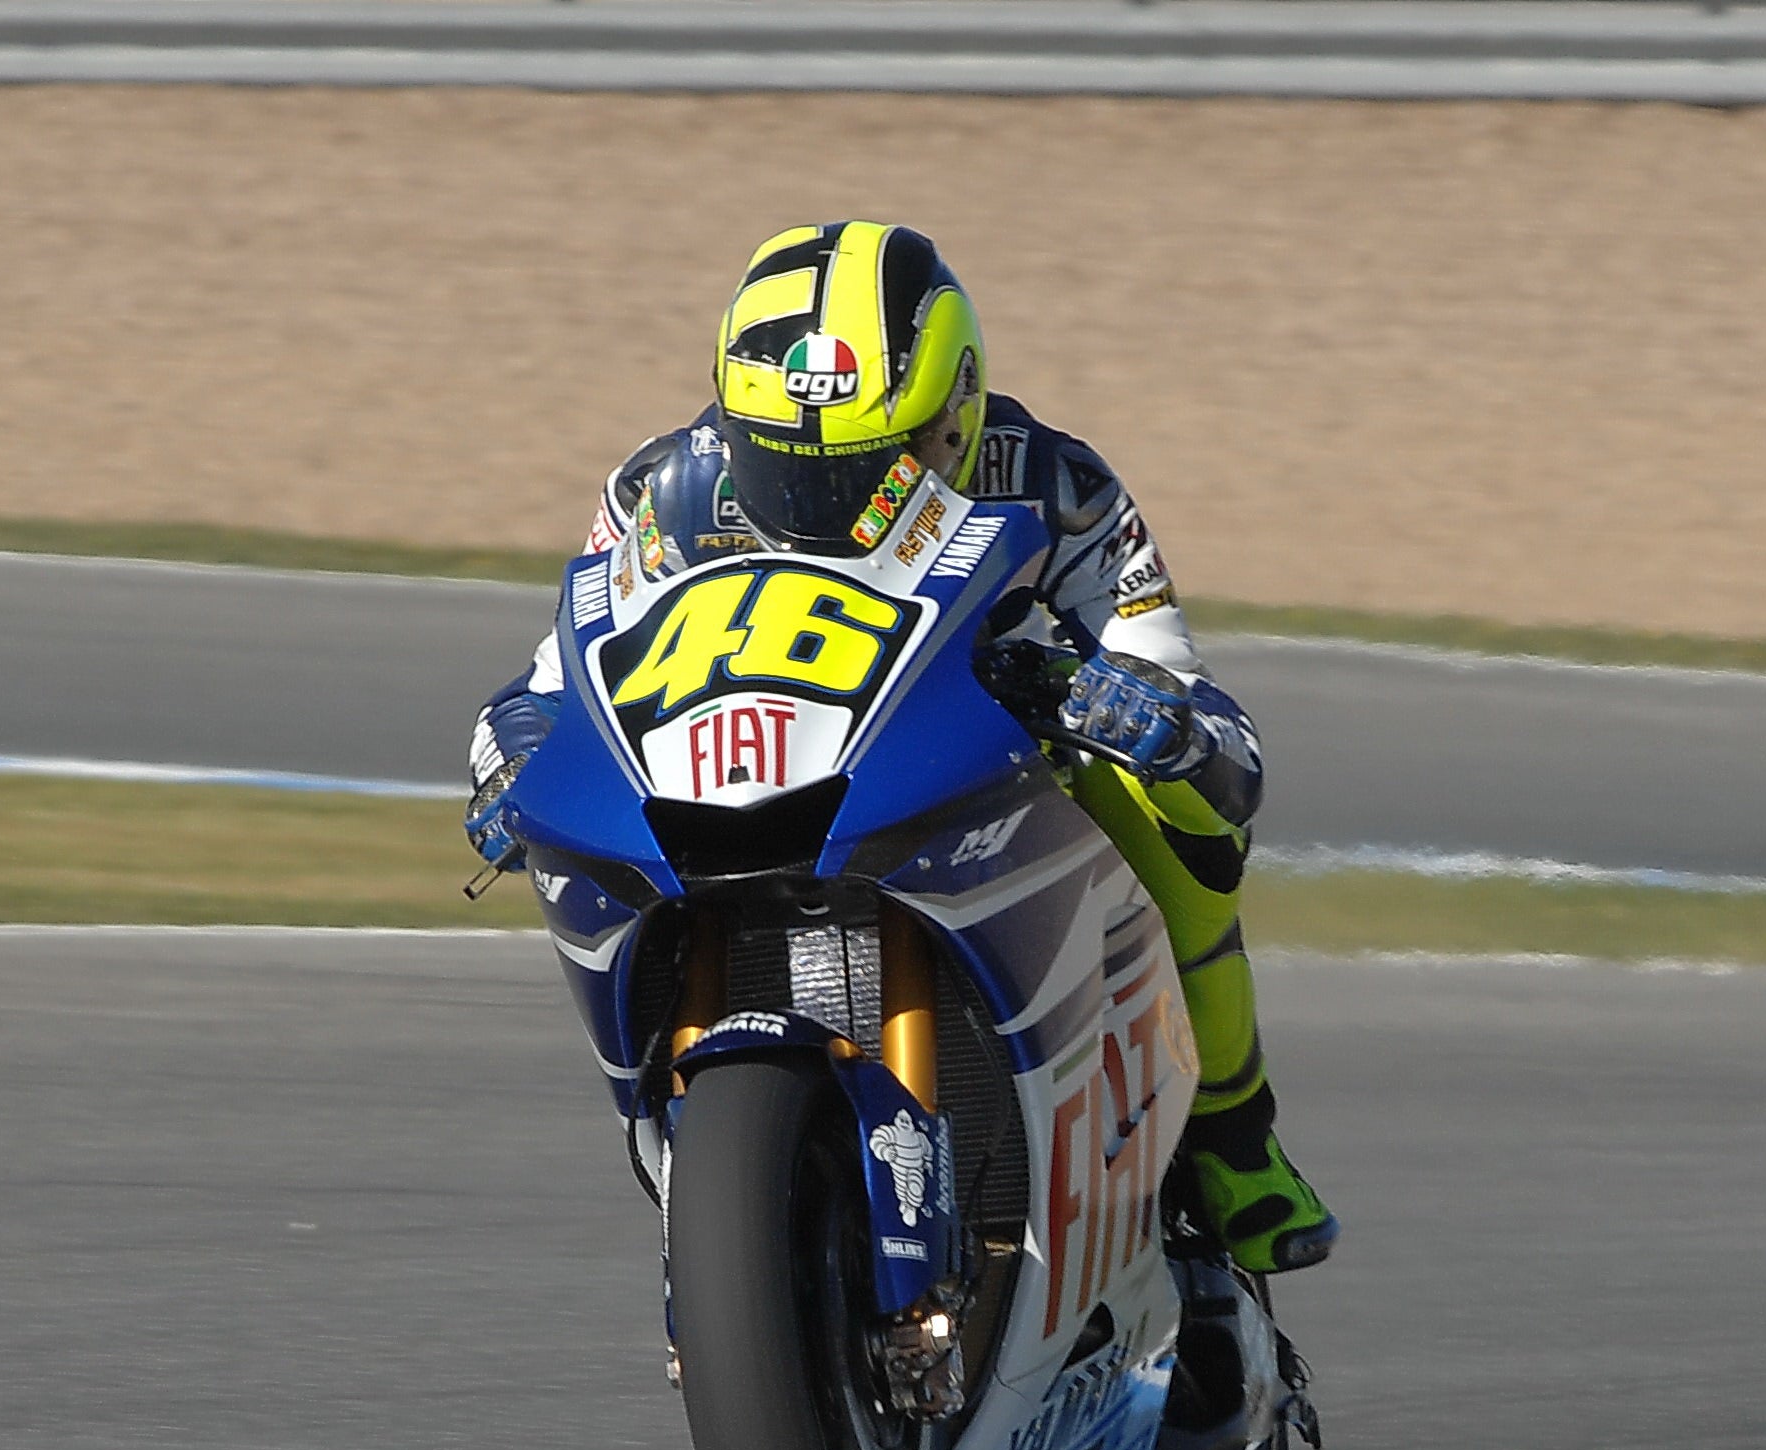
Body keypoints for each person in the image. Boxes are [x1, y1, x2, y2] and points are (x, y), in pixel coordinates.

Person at [467, 220, 1336, 1275]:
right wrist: (511, 747)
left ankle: (1230, 1135)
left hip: (978, 768)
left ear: (955, 409)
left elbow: (1201, 716)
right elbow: (554, 676)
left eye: (865, 465)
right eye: (784, 466)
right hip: (750, 769)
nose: (820, 500)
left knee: (1181, 812)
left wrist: (1145, 714)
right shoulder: (658, 492)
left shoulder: (1056, 485)